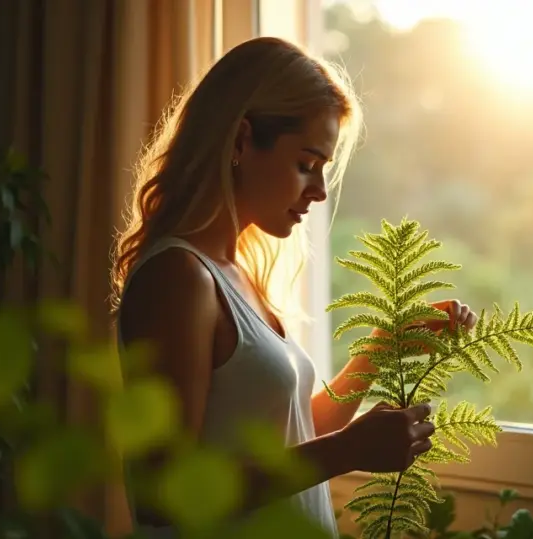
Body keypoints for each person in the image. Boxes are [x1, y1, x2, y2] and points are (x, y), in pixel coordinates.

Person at [109, 37, 478, 538]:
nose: (320, 190)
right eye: (306, 164)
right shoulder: (177, 278)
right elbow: (164, 495)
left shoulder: (234, 273)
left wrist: (381, 347)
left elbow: (295, 430)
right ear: (240, 142)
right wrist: (348, 451)